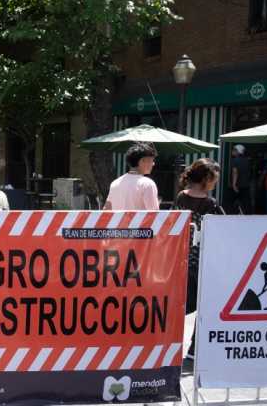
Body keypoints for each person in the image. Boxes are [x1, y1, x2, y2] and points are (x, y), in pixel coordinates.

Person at [172, 158, 223, 370]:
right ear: (205, 179)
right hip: (202, 260)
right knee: (204, 306)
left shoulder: (180, 198)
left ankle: (168, 344)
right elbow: (220, 229)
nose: (215, 183)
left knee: (179, 304)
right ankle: (193, 350)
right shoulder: (210, 204)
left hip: (181, 259)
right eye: (213, 179)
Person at [104, 142, 160, 210]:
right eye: (151, 160)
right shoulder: (147, 184)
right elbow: (154, 213)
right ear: (142, 161)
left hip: (117, 221)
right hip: (139, 221)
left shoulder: (115, 183)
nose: (153, 164)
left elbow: (106, 209)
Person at [226, 144, 251, 215]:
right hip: (245, 185)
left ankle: (232, 216)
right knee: (245, 203)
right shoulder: (247, 160)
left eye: (234, 150)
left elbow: (235, 172)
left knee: (230, 202)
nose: (232, 151)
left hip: (236, 185)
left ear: (238, 151)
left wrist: (234, 184)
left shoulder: (235, 160)